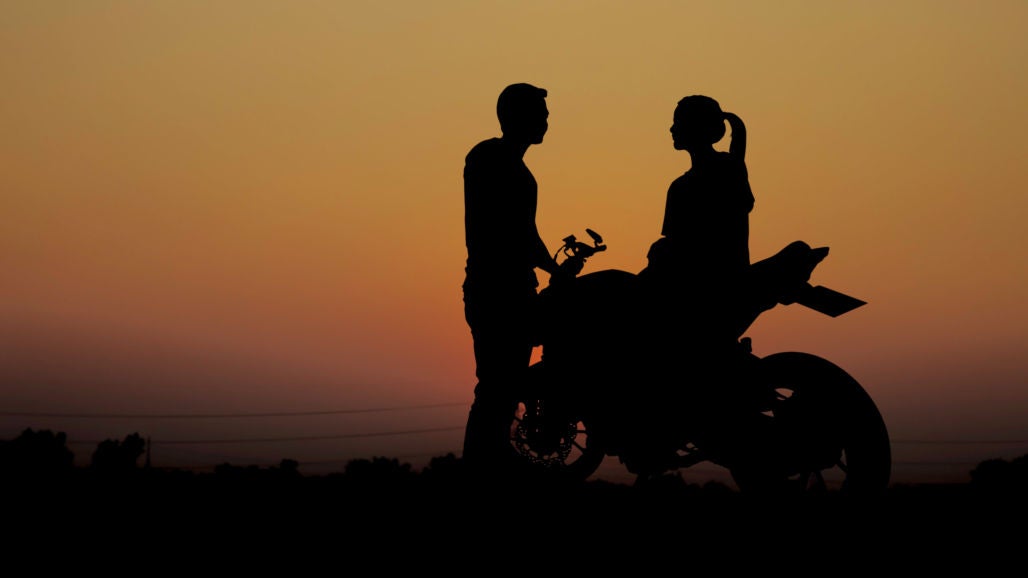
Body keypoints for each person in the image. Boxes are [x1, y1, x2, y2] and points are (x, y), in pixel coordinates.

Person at [461, 83, 562, 477]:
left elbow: (526, 234)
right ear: (516, 117)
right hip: (495, 289)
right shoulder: (489, 158)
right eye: (541, 114)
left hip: (515, 287)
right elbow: (513, 231)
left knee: (504, 385)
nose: (547, 122)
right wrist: (550, 267)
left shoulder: (519, 171)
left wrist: (553, 268)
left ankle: (493, 458)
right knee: (495, 386)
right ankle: (480, 465)